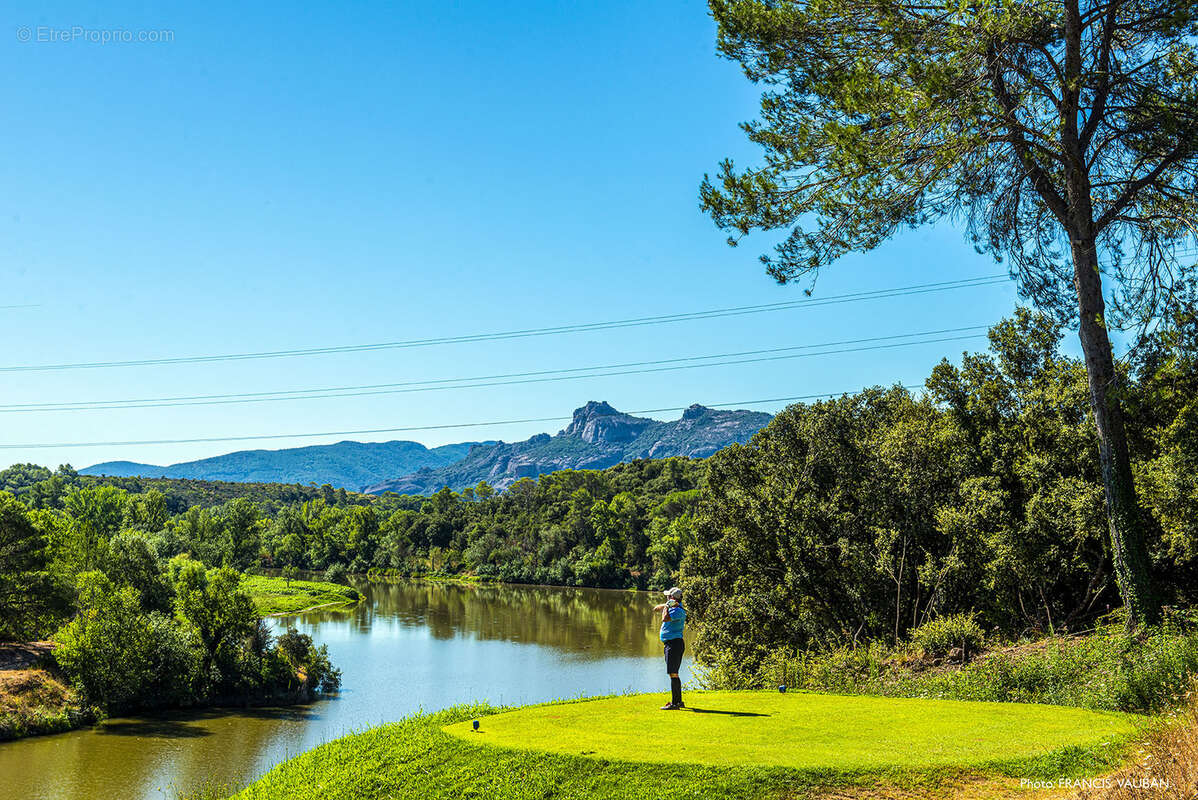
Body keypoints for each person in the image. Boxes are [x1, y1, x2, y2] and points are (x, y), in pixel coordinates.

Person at [653, 586, 686, 710]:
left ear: (672, 598)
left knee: (673, 674)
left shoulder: (678, 611)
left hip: (674, 645)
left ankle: (675, 703)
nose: (666, 597)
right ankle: (678, 702)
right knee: (673, 673)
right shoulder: (674, 607)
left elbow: (665, 618)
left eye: (668, 596)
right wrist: (663, 606)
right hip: (671, 644)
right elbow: (659, 608)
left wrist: (666, 607)